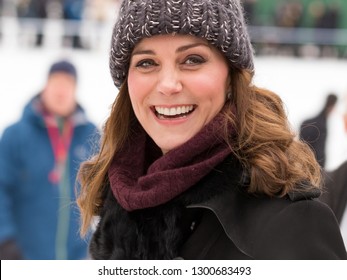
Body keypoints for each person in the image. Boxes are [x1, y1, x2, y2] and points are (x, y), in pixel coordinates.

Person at [77, 0, 347, 260]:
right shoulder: (119, 207)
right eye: (147, 62)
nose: (168, 84)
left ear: (231, 76)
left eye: (192, 59)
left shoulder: (294, 225)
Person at [0, 60, 99, 259]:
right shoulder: (15, 135)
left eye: (67, 84)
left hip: (76, 258)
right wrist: (5, 239)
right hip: (24, 256)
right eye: (56, 83)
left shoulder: (92, 136)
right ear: (45, 87)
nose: (61, 91)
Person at [299, 93, 338, 168]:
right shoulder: (321, 124)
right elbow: (319, 150)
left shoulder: (309, 122)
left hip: (305, 163)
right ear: (332, 106)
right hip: (314, 166)